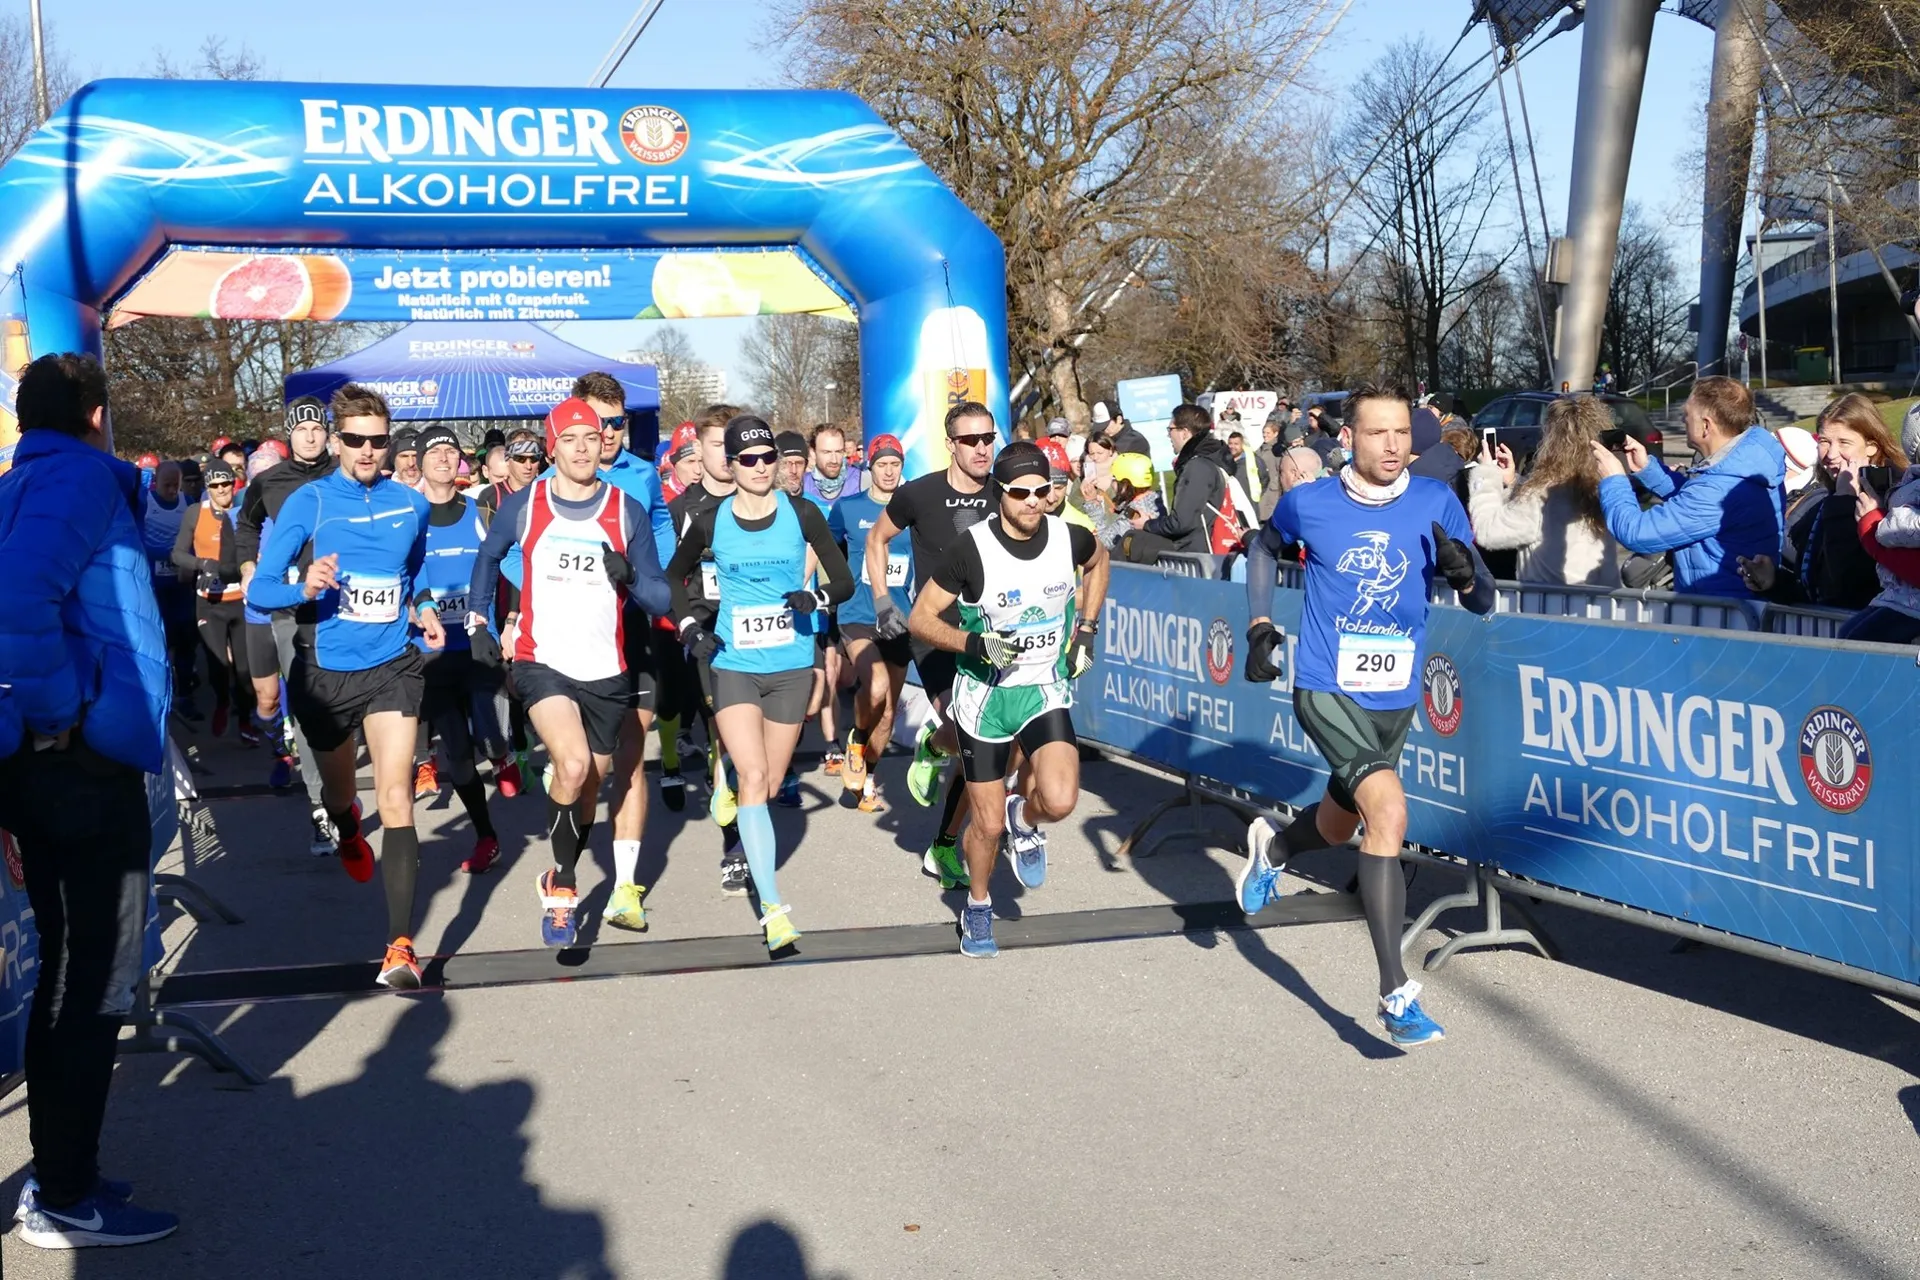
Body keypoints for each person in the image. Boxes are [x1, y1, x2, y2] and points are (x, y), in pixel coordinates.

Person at [1238, 385, 1495, 1047]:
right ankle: (1394, 992)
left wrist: (1467, 577)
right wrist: (1261, 622)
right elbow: (1262, 548)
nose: (1392, 446)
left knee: (1338, 819)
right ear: (1348, 438)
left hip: (1394, 693)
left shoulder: (1436, 501)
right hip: (1326, 685)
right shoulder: (1309, 503)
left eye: (1402, 434)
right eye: (1378, 433)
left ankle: (1274, 847)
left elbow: (1484, 600)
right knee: (1389, 815)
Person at [0, 354, 180, 1248]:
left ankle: (66, 1173)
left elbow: (144, 552)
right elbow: (16, 601)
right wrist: (60, 715)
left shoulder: (37, 477)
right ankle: (65, 1194)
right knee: (89, 982)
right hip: (74, 767)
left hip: (63, 765)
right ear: (98, 413)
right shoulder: (70, 478)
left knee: (79, 977)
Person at [248, 384, 445, 990]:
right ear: (336, 441)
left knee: (397, 796)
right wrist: (304, 589)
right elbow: (261, 592)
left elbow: (412, 574)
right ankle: (345, 823)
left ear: (390, 445)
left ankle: (399, 947)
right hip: (326, 670)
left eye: (378, 441)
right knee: (341, 798)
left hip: (392, 665)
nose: (367, 450)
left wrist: (423, 607)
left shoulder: (410, 506)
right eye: (355, 439)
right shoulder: (308, 502)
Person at [468, 398, 672, 944]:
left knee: (588, 787)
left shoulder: (625, 509)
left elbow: (659, 597)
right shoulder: (527, 504)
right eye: (570, 439)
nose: (582, 448)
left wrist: (628, 575)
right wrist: (478, 622)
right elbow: (489, 556)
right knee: (573, 763)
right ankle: (562, 887)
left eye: (591, 437)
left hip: (607, 669)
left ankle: (558, 866)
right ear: (551, 447)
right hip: (542, 660)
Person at [908, 442, 1109, 957]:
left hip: (1043, 688)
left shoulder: (1070, 538)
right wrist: (975, 643)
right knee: (987, 825)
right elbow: (921, 619)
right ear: (1000, 494)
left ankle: (1029, 819)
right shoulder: (970, 549)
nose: (1033, 501)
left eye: (1042, 491)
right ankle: (977, 908)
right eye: (1021, 492)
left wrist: (1084, 629)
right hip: (986, 698)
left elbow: (1100, 558)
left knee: (1061, 801)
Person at [666, 416, 856, 950]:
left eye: (766, 457)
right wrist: (687, 630)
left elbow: (842, 580)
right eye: (746, 459)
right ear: (730, 463)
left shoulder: (801, 512)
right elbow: (672, 579)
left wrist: (814, 599)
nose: (758, 467)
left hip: (791, 665)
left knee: (768, 786)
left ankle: (726, 780)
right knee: (755, 779)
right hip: (734, 663)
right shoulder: (709, 520)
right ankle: (774, 910)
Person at [863, 400, 997, 889]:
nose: (982, 448)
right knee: (970, 734)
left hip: (990, 638)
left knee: (985, 746)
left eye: (988, 438)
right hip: (936, 633)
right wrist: (882, 600)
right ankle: (935, 744)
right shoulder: (918, 495)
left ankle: (943, 844)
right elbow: (877, 540)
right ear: (951, 444)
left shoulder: (1005, 492)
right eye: (970, 440)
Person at [570, 371, 678, 933]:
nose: (609, 433)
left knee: (631, 758)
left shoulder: (641, 476)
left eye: (618, 423)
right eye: (598, 423)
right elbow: (515, 551)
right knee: (590, 767)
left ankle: (625, 888)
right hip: (574, 640)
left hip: (634, 630)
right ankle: (568, 850)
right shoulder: (553, 480)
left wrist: (651, 575)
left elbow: (661, 524)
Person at [235, 396, 341, 842]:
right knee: (306, 704)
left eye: (317, 428)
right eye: (301, 430)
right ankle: (322, 806)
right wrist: (247, 568)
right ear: (289, 434)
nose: (311, 436)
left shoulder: (345, 473)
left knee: (345, 701)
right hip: (289, 607)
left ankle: (343, 791)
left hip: (345, 603)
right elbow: (245, 525)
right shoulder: (271, 481)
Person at [408, 424, 505, 874]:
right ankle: (487, 836)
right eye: (435, 453)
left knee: (486, 719)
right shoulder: (409, 516)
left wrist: (519, 616)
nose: (444, 458)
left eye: (450, 451)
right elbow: (398, 575)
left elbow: (513, 564)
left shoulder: (480, 510)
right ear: (420, 463)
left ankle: (501, 748)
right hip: (434, 652)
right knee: (459, 756)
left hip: (479, 643)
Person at [1593, 376, 1783, 599]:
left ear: (1706, 425)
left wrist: (1614, 479)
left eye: (1686, 414)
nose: (1682, 419)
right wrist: (1647, 469)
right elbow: (1694, 500)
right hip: (1728, 605)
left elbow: (1637, 532)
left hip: (1720, 617)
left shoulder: (1718, 487)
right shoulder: (1745, 462)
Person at [669, 404, 750, 888]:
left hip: (757, 633)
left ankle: (733, 797)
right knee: (725, 734)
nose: (729, 454)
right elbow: (669, 576)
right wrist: (686, 626)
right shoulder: (681, 511)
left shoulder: (762, 501)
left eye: (734, 443)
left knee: (749, 741)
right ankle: (734, 844)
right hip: (706, 637)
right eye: (720, 444)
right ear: (699, 450)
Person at [1735, 395, 1893, 611]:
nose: (1831, 454)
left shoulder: (1892, 500)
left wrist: (1845, 502)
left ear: (1871, 447)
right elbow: (1818, 589)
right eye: (1824, 442)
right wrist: (1773, 582)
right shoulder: (1825, 499)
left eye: (1844, 442)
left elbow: (1847, 587)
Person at [827, 434, 913, 812]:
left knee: (890, 710)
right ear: (870, 468)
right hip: (858, 615)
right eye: (882, 464)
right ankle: (857, 741)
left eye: (895, 464)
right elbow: (824, 549)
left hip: (899, 618)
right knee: (875, 686)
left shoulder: (914, 510)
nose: (889, 470)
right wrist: (821, 595)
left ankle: (869, 779)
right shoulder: (847, 509)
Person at [1468, 395, 1622, 587]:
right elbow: (1538, 516)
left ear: (1551, 440)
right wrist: (1514, 482)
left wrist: (1485, 473)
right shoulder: (1606, 487)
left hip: (1550, 607)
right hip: (1600, 606)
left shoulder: (1540, 495)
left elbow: (1487, 531)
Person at [172, 459, 254, 739]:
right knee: (218, 664)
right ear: (208, 487)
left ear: (234, 484)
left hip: (239, 602)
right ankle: (222, 702)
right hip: (209, 602)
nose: (222, 490)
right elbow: (177, 554)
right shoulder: (196, 512)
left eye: (226, 483)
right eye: (215, 485)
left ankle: (244, 719)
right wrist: (202, 564)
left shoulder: (244, 513)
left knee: (244, 670)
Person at [1841, 410, 1920, 641]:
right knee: (1848, 635)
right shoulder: (1910, 482)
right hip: (1899, 596)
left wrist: (1878, 526)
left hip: (1911, 605)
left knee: (1858, 643)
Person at [1136, 403, 1229, 554]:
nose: (1168, 435)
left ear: (1184, 432)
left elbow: (1181, 522)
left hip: (1200, 555)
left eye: (1170, 429)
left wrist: (1147, 524)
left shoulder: (1197, 466)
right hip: (1208, 551)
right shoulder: (1211, 458)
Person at [142, 459, 197, 711]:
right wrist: (167, 553)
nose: (172, 490)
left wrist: (186, 558)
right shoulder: (146, 502)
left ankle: (185, 691)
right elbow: (137, 541)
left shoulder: (187, 504)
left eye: (176, 485)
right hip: (155, 584)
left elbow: (197, 539)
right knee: (162, 638)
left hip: (181, 583)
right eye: (167, 485)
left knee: (186, 637)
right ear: (156, 481)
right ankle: (162, 691)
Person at [1037, 436, 1096, 532]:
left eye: (1058, 488)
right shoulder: (1015, 520)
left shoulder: (1083, 526)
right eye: (1044, 489)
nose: (1051, 499)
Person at [803, 421, 858, 507]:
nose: (834, 460)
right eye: (827, 452)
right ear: (813, 452)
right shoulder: (802, 485)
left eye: (838, 452)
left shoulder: (861, 481)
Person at [775, 431, 809, 498]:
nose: (794, 471)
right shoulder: (764, 504)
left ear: (805, 466)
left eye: (799, 463)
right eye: (786, 463)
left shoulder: (813, 504)